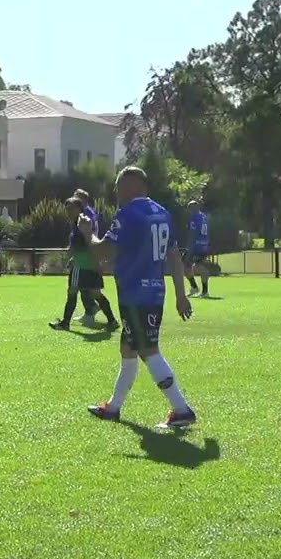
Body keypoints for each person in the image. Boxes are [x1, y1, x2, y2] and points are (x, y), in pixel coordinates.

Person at [80, 166, 198, 429]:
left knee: (147, 350)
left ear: (129, 187)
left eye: (118, 187)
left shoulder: (129, 214)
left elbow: (103, 253)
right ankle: (113, 408)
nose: (117, 193)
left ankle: (181, 409)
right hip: (155, 291)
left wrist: (88, 233)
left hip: (135, 294)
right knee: (129, 348)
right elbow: (175, 257)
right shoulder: (163, 213)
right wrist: (180, 296)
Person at [50, 197, 118, 331]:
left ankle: (65, 323)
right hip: (89, 265)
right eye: (67, 209)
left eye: (71, 208)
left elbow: (88, 243)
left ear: (79, 209)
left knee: (73, 292)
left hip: (81, 266)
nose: (68, 211)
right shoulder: (79, 224)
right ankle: (112, 321)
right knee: (95, 294)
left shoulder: (82, 224)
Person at [73, 189, 103, 325]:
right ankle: (90, 311)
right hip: (88, 251)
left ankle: (92, 310)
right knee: (86, 285)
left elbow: (87, 234)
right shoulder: (88, 212)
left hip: (88, 252)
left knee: (86, 285)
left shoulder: (85, 214)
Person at [185, 200, 212, 298]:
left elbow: (193, 232)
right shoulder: (204, 217)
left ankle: (199, 289)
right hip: (204, 244)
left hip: (196, 246)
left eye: (190, 208)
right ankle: (198, 288)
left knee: (188, 265)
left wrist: (189, 246)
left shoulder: (194, 217)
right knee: (197, 266)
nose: (189, 211)